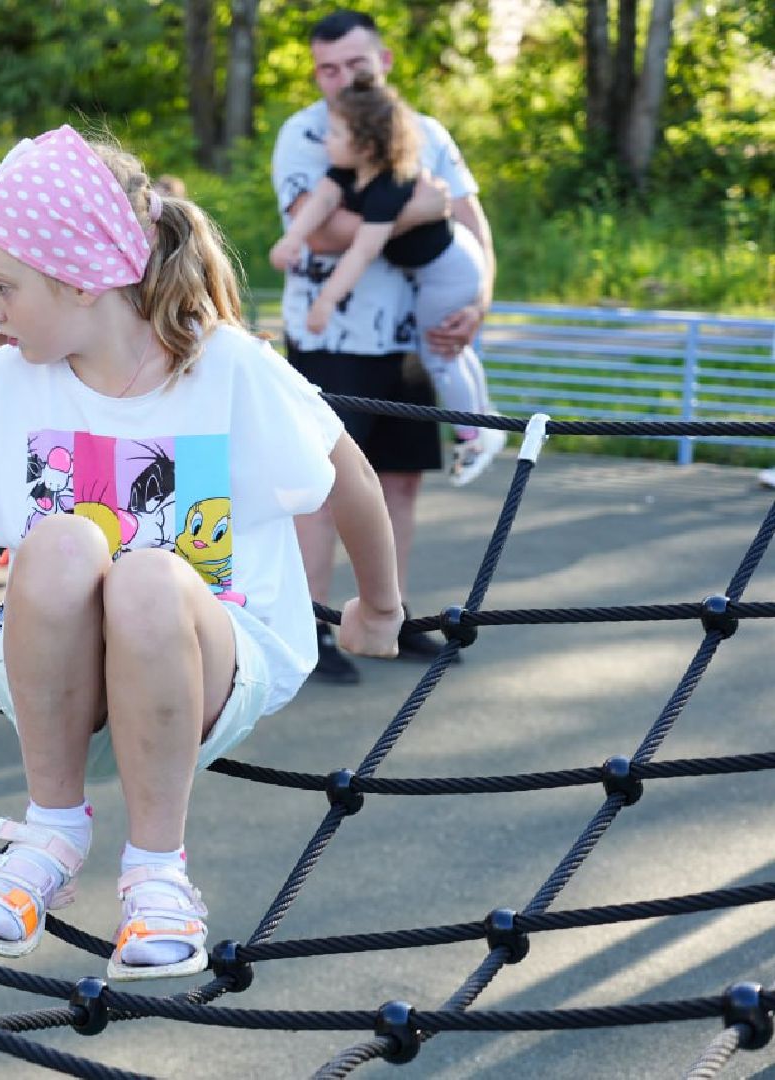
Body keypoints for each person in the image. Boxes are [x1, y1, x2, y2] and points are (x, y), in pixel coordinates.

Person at [0, 126, 402, 981]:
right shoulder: (10, 382)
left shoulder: (225, 368)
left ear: (83, 280)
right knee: (59, 541)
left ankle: (157, 872)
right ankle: (50, 830)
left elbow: (348, 476)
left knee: (146, 576)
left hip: (207, 663)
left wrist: (378, 607)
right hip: (57, 676)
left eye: (4, 286)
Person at [271, 10, 497, 684]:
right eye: (326, 69)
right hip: (331, 338)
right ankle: (310, 628)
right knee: (320, 487)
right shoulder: (306, 132)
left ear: (385, 61)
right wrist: (420, 210)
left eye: (353, 66)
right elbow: (323, 232)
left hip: (412, 334)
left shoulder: (424, 132)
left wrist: (478, 302)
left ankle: (384, 613)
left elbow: (471, 221)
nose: (340, 81)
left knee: (398, 481)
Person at [270, 73, 505, 486]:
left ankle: (474, 435)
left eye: (336, 133)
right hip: (442, 267)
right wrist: (291, 239)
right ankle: (485, 420)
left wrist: (325, 302)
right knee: (454, 353)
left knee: (440, 352)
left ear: (365, 144)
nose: (325, 139)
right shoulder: (346, 169)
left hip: (451, 273)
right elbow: (322, 201)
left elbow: (361, 252)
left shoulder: (388, 189)